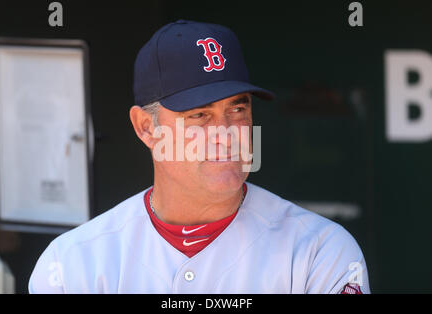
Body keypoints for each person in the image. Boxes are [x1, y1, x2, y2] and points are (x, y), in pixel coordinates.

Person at [28, 19, 370, 294]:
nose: (227, 132)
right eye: (199, 115)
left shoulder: (318, 253)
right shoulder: (72, 266)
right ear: (147, 127)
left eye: (238, 108)